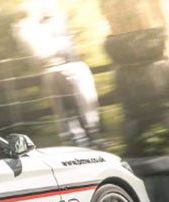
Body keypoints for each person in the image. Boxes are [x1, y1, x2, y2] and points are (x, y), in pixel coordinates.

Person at [14, 1, 104, 148]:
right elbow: (39, 52)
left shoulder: (51, 19)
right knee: (71, 106)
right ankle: (80, 140)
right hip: (55, 67)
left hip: (64, 65)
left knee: (81, 103)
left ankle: (87, 137)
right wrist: (60, 47)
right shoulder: (28, 27)